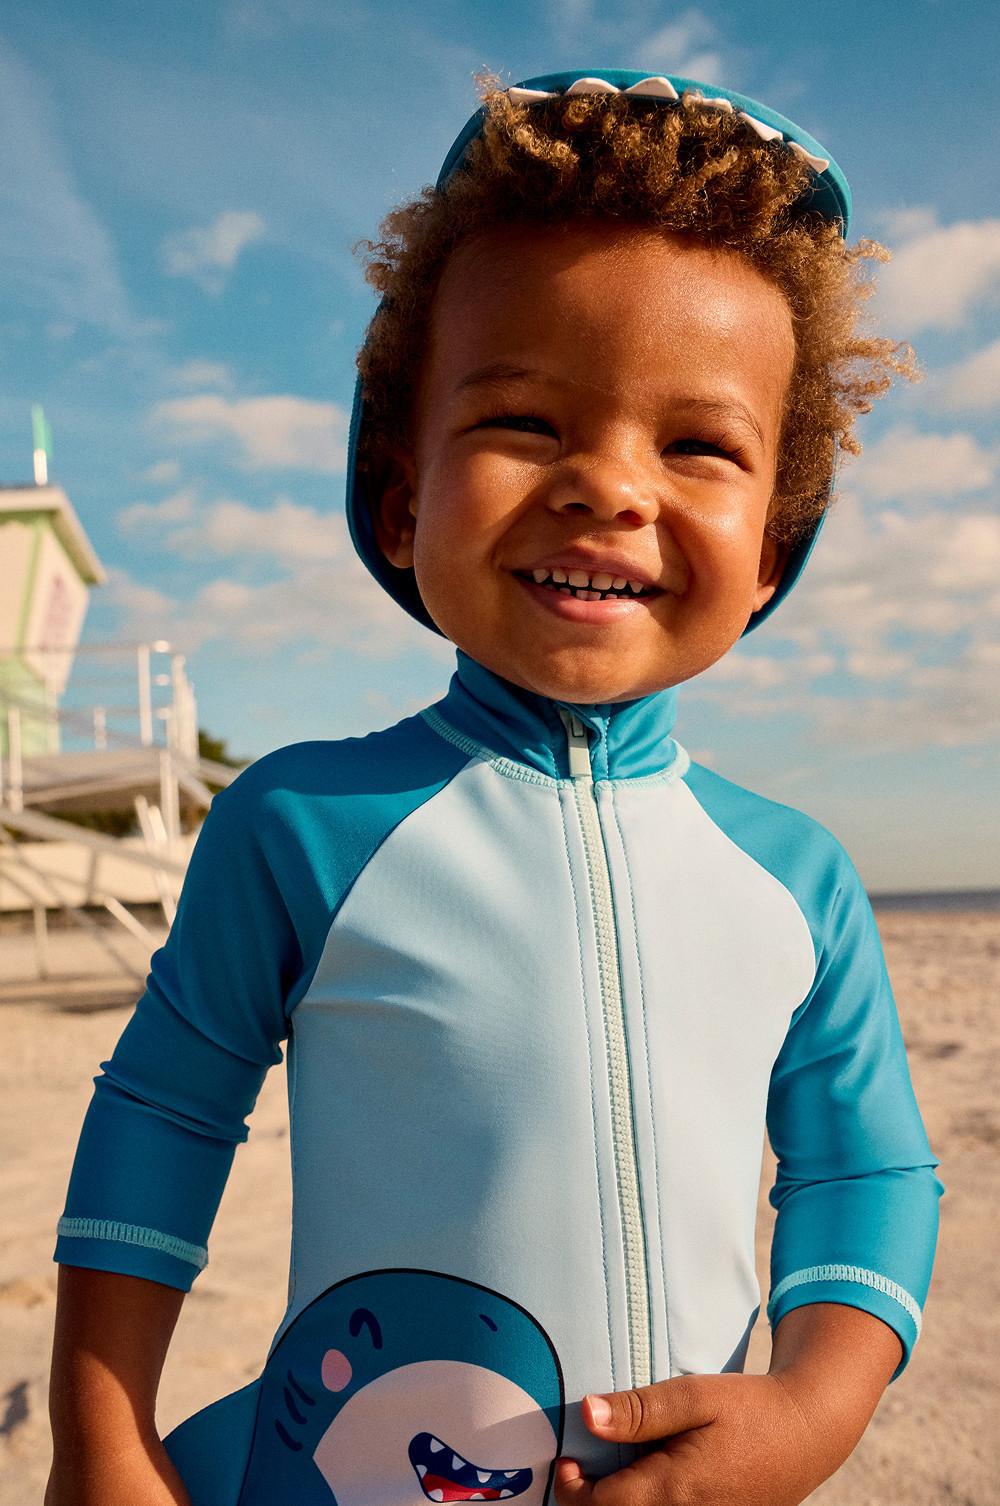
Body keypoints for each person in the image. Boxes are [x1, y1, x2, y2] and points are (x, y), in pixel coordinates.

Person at [46, 68, 942, 1506]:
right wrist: (101, 1434)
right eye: (528, 423)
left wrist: (812, 1410)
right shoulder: (299, 826)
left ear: (773, 548)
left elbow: (867, 1177)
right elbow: (161, 1113)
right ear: (404, 496)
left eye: (698, 444)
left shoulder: (798, 879)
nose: (610, 486)